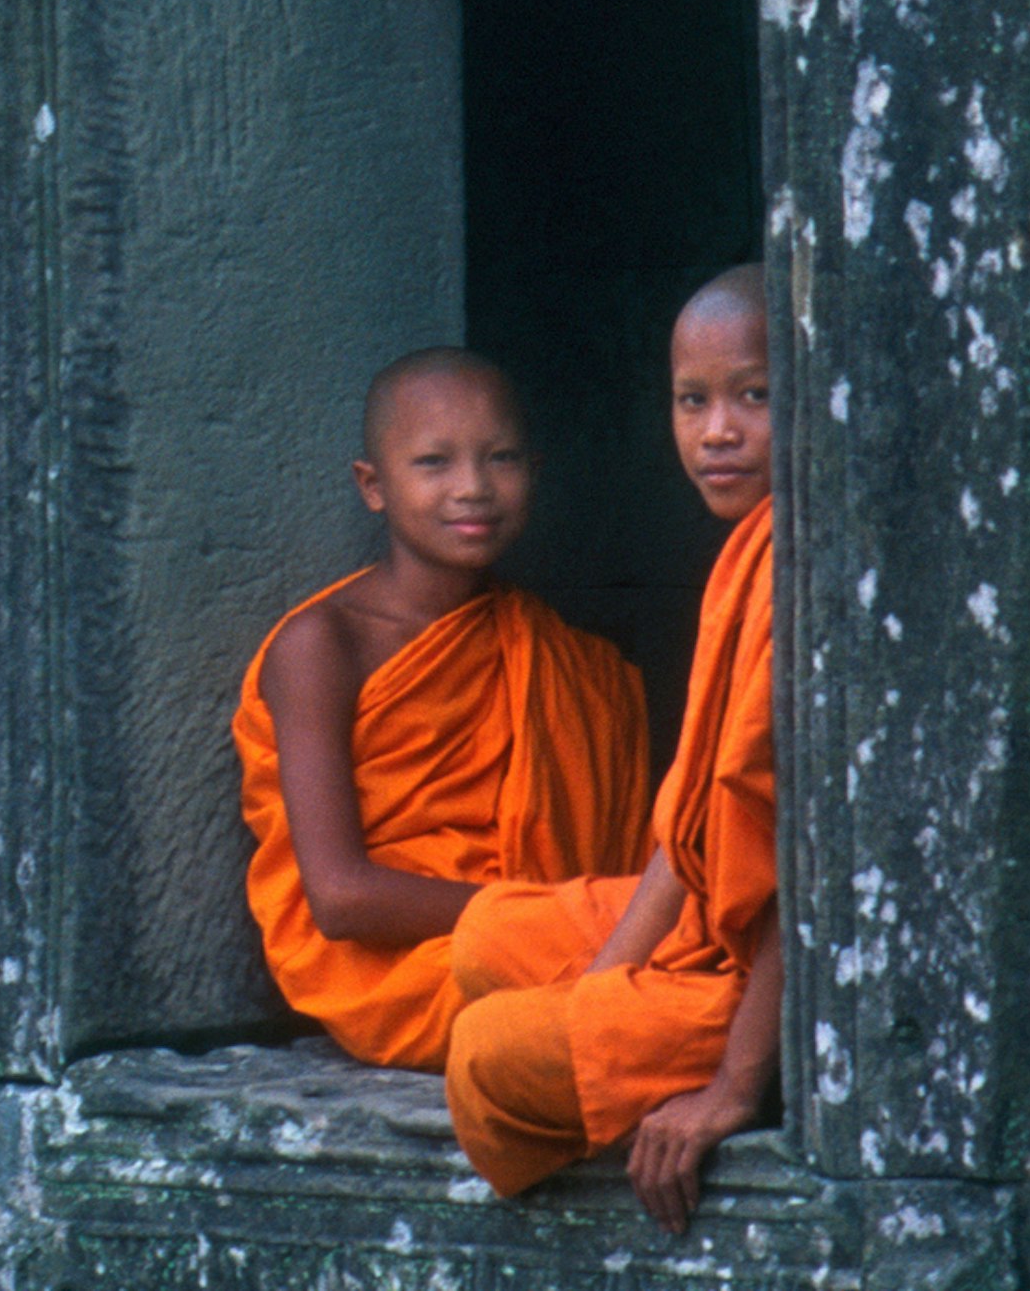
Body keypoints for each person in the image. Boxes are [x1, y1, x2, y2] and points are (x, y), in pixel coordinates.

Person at [441, 264, 778, 1233]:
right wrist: (607, 991)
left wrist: (731, 1091)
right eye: (692, 400)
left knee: (490, 1057)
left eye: (755, 396)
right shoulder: (745, 552)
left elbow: (812, 875)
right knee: (485, 943)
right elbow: (695, 820)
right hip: (713, 937)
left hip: (786, 983)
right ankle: (646, 1025)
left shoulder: (811, 564)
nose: (718, 431)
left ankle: (763, 1064)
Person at [232, 348, 651, 1071]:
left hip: (557, 942)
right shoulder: (323, 645)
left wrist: (580, 920)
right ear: (373, 485)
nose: (473, 488)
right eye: (433, 462)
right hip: (404, 975)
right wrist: (553, 917)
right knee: (647, 988)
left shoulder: (571, 664)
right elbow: (339, 898)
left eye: (502, 458)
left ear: (536, 474)